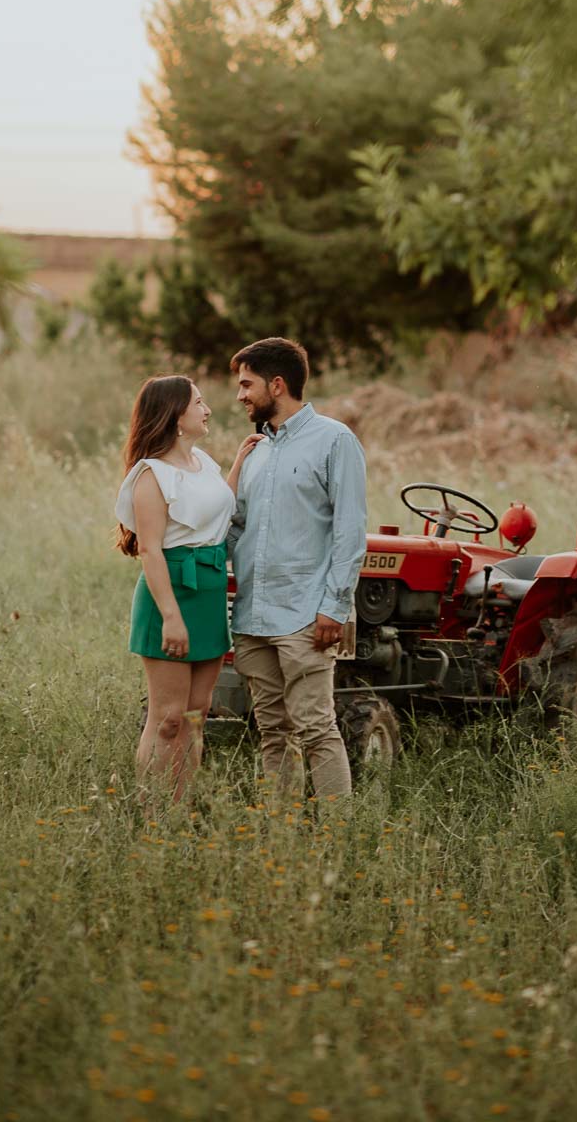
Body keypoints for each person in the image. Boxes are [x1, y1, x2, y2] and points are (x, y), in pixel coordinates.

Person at [227, 336, 367, 802]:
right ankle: (282, 838)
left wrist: (335, 607)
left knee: (317, 730)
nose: (241, 395)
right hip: (253, 618)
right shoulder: (255, 452)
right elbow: (238, 528)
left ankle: (337, 839)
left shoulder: (335, 440)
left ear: (278, 384)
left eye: (247, 384)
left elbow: (350, 531)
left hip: (306, 616)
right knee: (272, 733)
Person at [116, 375, 260, 805]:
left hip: (210, 591)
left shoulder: (204, 464)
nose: (207, 409)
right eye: (199, 402)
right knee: (168, 718)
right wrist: (172, 618)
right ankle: (152, 808)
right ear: (175, 415)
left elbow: (216, 511)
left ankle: (181, 805)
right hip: (171, 595)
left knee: (197, 715)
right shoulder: (151, 475)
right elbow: (151, 552)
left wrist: (237, 463)